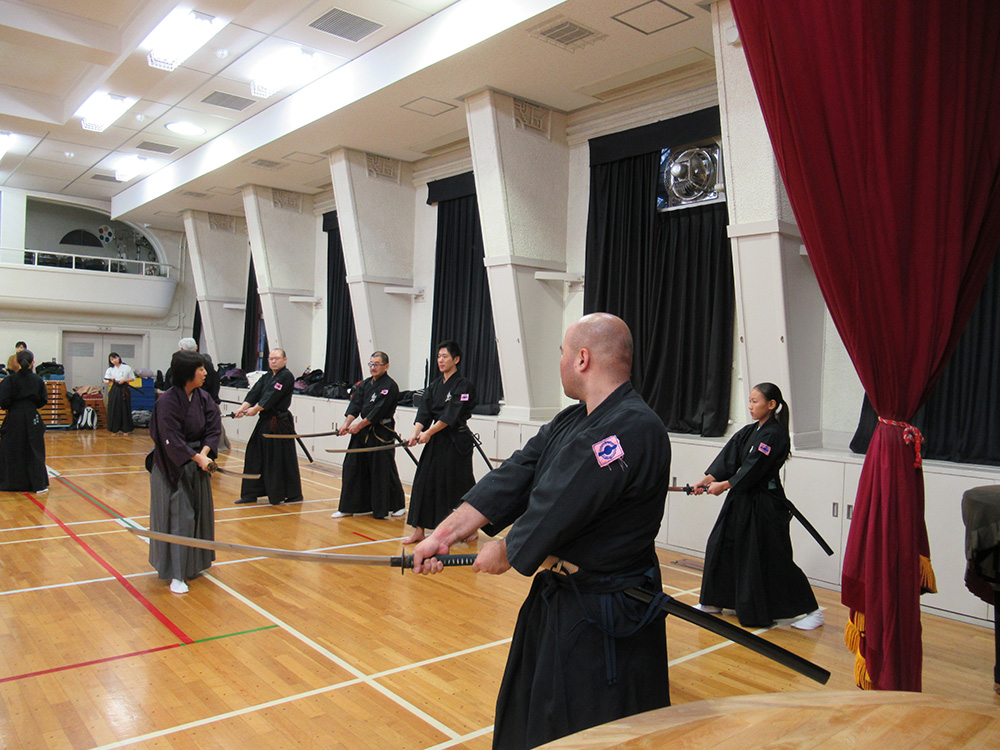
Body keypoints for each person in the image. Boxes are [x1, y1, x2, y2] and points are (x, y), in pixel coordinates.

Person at [412, 313, 673, 750]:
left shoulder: (634, 426)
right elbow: (519, 471)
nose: (561, 362)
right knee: (533, 718)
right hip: (563, 602)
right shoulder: (573, 419)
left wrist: (509, 548)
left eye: (563, 354)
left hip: (608, 614)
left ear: (583, 358)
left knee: (588, 730)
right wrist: (446, 532)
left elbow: (566, 496)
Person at [692, 382, 823, 630]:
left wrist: (725, 485)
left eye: (755, 401)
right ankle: (714, 600)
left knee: (773, 556)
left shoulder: (774, 435)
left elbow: (754, 467)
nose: (750, 406)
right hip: (741, 499)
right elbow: (729, 457)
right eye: (750, 401)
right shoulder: (750, 431)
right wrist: (708, 479)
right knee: (722, 543)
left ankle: (812, 611)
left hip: (765, 504)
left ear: (771, 405)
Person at [147, 351, 222, 594]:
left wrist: (206, 452)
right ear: (188, 373)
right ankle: (176, 574)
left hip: (197, 464)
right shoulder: (167, 401)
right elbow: (170, 438)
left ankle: (194, 564)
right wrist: (198, 457)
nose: (205, 373)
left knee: (198, 515)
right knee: (180, 517)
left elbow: (213, 427)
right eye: (200, 369)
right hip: (172, 467)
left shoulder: (203, 398)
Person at [402, 340, 477, 544]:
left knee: (458, 485)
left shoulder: (464, 385)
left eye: (445, 356)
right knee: (423, 481)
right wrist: (415, 432)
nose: (441, 360)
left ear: (456, 359)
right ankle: (419, 530)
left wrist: (429, 432)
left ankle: (470, 529)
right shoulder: (435, 385)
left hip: (456, 441)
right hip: (435, 439)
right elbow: (424, 411)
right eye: (439, 356)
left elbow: (451, 414)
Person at [331, 351, 406, 520]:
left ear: (386, 366)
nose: (373, 367)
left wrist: (359, 425)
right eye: (371, 364)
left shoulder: (390, 386)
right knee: (352, 466)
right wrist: (346, 425)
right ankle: (349, 507)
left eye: (377, 364)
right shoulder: (365, 384)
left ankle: (396, 505)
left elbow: (377, 411)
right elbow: (355, 405)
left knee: (383, 469)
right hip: (362, 431)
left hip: (381, 432)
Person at [233, 348, 303, 505]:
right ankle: (250, 494)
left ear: (285, 360)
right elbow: (255, 393)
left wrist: (255, 409)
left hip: (278, 423)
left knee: (277, 459)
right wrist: (242, 408)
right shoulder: (266, 376)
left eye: (277, 358)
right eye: (271, 358)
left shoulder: (286, 376)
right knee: (253, 454)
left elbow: (270, 396)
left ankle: (287, 494)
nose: (273, 361)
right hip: (265, 421)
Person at [0, 349, 49, 493]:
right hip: (32, 416)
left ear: (16, 362)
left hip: (14, 417)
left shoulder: (10, 380)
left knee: (11, 449)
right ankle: (37, 483)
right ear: (33, 363)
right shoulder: (38, 380)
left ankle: (11, 483)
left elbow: (3, 400)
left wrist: (11, 406)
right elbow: (42, 400)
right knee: (34, 449)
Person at [176, 337, 228, 450]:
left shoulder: (199, 366)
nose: (204, 373)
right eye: (201, 370)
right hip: (209, 401)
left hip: (204, 404)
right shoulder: (208, 364)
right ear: (196, 348)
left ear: (181, 349)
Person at [104, 352, 135, 435]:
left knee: (125, 408)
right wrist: (110, 380)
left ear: (119, 357)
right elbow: (105, 380)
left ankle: (126, 429)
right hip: (115, 389)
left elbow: (132, 378)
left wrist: (124, 380)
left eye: (115, 358)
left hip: (124, 388)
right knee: (114, 408)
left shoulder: (126, 367)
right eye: (111, 359)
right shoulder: (110, 369)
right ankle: (114, 429)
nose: (114, 360)